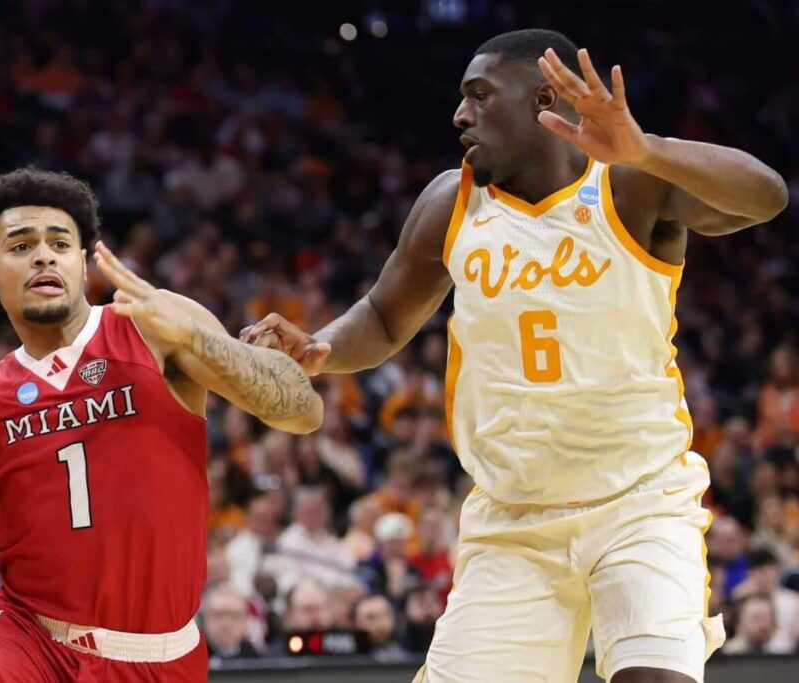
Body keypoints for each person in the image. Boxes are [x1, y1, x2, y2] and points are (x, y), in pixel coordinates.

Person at [241, 28, 788, 683]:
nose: (459, 114)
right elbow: (385, 315)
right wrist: (324, 347)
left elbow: (767, 196)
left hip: (639, 500)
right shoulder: (450, 202)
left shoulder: (629, 184)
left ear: (543, 101)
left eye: (479, 95)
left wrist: (647, 148)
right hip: (513, 517)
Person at [0, 168, 323, 682]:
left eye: (60, 243)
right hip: (31, 639)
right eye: (21, 246)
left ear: (83, 264)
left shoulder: (154, 325)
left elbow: (303, 412)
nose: (44, 255)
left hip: (161, 654)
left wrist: (197, 340)